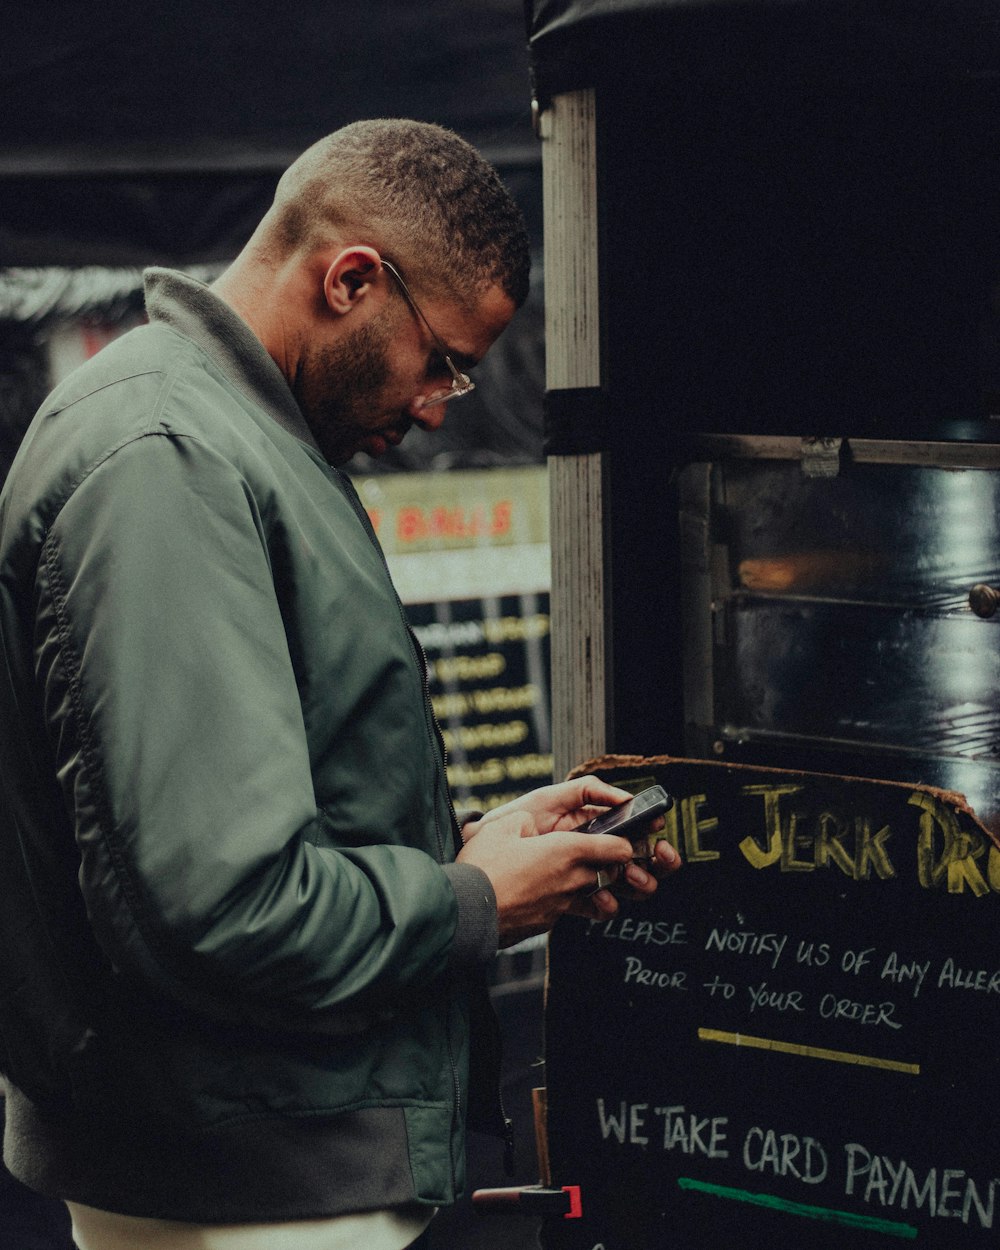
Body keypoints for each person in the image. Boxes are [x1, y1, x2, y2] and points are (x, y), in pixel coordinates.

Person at [0, 119, 680, 1250]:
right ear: (351, 278)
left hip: (262, 1159)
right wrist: (475, 899)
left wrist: (472, 844)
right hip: (239, 1182)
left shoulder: (227, 433)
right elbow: (224, 905)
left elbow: (222, 826)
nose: (437, 404)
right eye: (445, 361)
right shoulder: (167, 457)